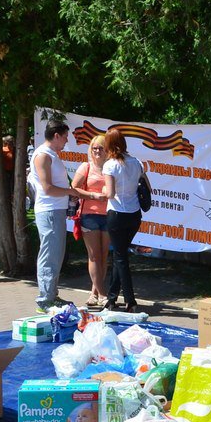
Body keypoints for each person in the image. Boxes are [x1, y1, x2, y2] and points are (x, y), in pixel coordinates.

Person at [28, 122, 82, 311]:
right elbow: (48, 188)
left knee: (56, 254)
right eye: (66, 136)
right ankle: (44, 300)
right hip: (49, 211)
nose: (67, 140)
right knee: (50, 254)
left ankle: (51, 295)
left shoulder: (51, 155)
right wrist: (72, 191)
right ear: (57, 135)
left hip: (55, 210)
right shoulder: (43, 155)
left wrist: (70, 193)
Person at [101, 128, 148, 312]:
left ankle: (130, 300)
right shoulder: (136, 162)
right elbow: (145, 185)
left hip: (117, 214)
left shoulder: (110, 165)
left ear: (108, 144)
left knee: (121, 257)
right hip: (134, 215)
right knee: (119, 255)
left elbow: (110, 193)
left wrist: (101, 192)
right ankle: (111, 299)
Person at [71, 134, 111, 307]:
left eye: (101, 148)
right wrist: (93, 195)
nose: (97, 151)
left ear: (107, 150)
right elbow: (74, 188)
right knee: (94, 256)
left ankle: (95, 293)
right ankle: (102, 294)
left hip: (109, 215)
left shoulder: (111, 167)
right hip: (90, 215)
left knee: (103, 256)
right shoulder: (86, 167)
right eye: (94, 148)